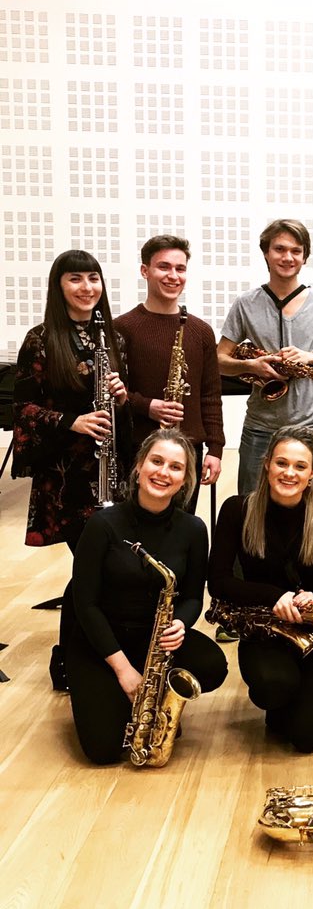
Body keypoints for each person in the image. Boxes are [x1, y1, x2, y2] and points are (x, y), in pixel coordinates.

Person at [66, 429, 227, 764]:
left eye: (175, 467)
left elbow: (194, 597)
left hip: (151, 638)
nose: (163, 472)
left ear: (185, 480)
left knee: (212, 665)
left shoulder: (193, 530)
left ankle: (153, 702)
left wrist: (181, 623)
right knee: (104, 750)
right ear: (138, 467)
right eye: (156, 461)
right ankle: (110, 696)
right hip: (99, 641)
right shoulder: (102, 525)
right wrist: (124, 670)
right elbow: (85, 604)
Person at [13, 249, 132, 688]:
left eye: (93, 278)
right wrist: (71, 421)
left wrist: (120, 396)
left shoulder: (112, 339)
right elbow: (22, 409)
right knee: (91, 568)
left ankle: (86, 652)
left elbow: (122, 412)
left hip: (107, 474)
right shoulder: (41, 339)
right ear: (58, 285)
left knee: (100, 568)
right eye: (75, 279)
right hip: (66, 480)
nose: (87, 288)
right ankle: (67, 658)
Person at [208, 425, 313, 753]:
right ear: (267, 464)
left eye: (300, 466)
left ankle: (294, 701)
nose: (289, 473)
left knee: (307, 739)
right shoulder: (236, 510)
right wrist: (275, 598)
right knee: (274, 689)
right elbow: (219, 581)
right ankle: (280, 697)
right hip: (263, 628)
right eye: (281, 463)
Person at [216, 218, 313, 500]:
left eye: (296, 251)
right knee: (249, 509)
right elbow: (219, 359)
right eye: (279, 249)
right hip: (260, 426)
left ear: (305, 257)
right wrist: (251, 366)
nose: (288, 257)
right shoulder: (245, 303)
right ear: (266, 252)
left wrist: (312, 358)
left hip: (312, 425)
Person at [115, 234, 224, 513]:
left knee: (181, 530)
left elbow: (211, 395)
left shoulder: (201, 332)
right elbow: (111, 390)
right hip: (139, 449)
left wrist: (215, 449)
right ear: (145, 271)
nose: (173, 275)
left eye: (180, 268)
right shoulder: (122, 328)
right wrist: (147, 406)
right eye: (163, 267)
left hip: (188, 449)